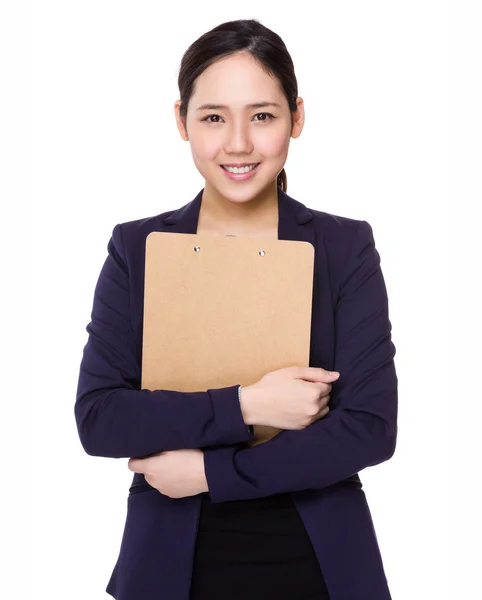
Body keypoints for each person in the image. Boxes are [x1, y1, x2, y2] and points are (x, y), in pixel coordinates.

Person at [74, 18, 398, 600]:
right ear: (182, 121)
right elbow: (102, 418)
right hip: (169, 566)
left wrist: (209, 473)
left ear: (297, 118)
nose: (239, 143)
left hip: (319, 566)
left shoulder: (345, 248)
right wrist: (248, 405)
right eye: (214, 117)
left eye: (263, 116)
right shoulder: (136, 249)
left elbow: (368, 431)